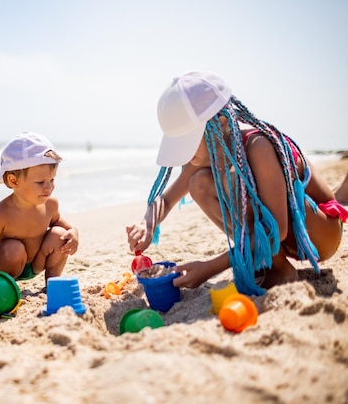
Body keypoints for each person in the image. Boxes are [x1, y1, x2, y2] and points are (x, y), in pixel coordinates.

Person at [126, 71, 348, 296]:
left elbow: (277, 230)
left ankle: (280, 269)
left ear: (219, 123)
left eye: (188, 143)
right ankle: (265, 262)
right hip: (284, 234)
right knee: (199, 182)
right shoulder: (209, 149)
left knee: (233, 180)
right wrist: (147, 224)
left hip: (320, 232)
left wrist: (210, 267)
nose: (186, 155)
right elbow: (166, 199)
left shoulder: (258, 145)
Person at [0, 132, 79, 289]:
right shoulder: (1, 214)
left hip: (37, 262)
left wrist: (73, 232)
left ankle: (52, 284)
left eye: (52, 180)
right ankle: (6, 288)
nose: (49, 187)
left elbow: (62, 224)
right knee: (14, 248)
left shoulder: (49, 204)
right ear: (14, 181)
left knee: (59, 234)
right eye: (40, 182)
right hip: (7, 265)